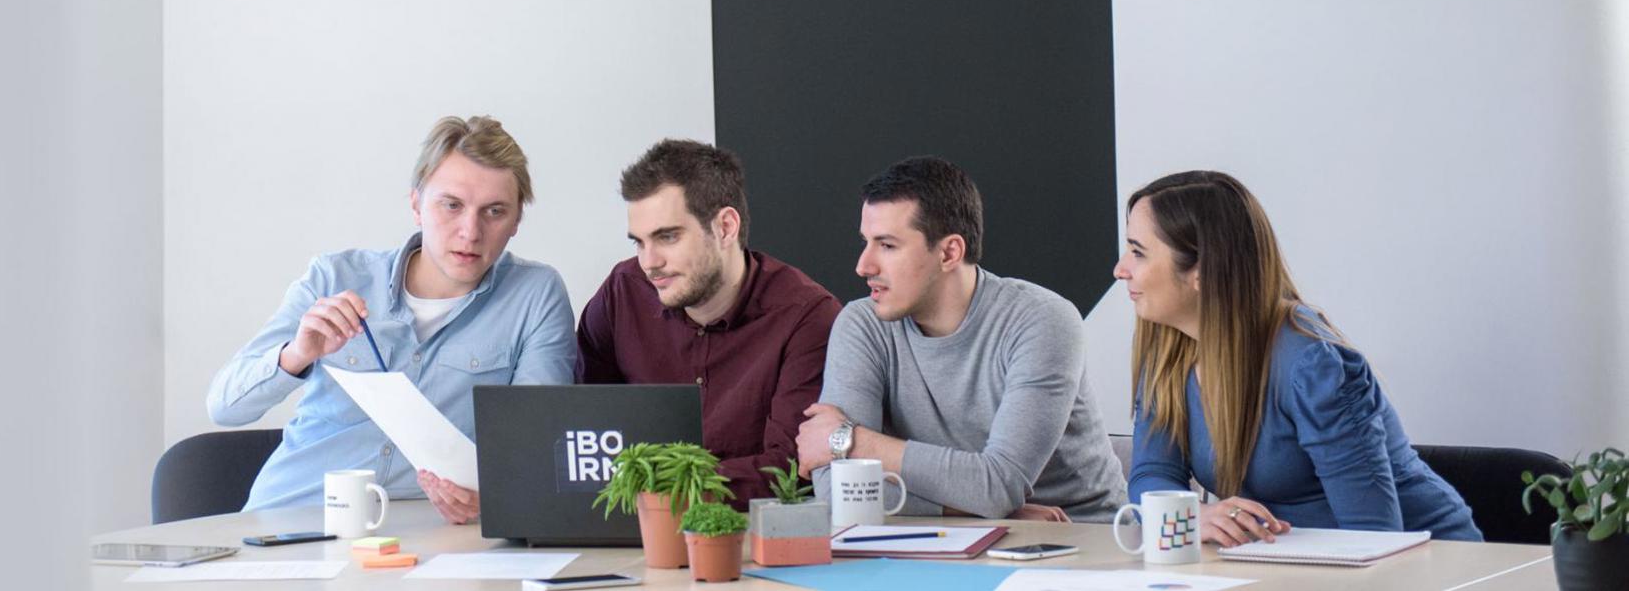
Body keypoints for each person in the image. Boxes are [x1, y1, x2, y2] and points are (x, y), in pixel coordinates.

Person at [206, 116, 576, 523]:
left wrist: (496, 493)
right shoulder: (333, 277)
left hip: (430, 537)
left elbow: (540, 443)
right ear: (416, 204)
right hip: (292, 517)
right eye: (451, 205)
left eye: (494, 211)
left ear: (517, 220)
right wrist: (297, 354)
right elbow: (225, 407)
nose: (470, 232)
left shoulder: (534, 295)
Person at [1116, 170, 1480, 543]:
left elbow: (1374, 537)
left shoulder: (1312, 364)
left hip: (1430, 564)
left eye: (1138, 252)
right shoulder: (1170, 349)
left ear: (1203, 270)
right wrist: (1191, 516)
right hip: (1293, 565)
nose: (1120, 269)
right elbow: (1151, 474)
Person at [796, 156, 1126, 521]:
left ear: (950, 252)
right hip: (954, 533)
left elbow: (1000, 485)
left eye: (887, 246)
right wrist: (978, 508)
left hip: (1082, 536)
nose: (864, 265)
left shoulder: (1041, 319)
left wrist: (852, 442)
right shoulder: (862, 325)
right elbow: (838, 491)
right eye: (866, 242)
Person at [577, 140, 841, 506]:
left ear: (725, 227)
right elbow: (578, 425)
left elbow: (790, 469)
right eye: (639, 242)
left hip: (749, 538)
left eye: (667, 237)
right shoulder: (623, 291)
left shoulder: (806, 316)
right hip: (633, 527)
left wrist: (662, 488)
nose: (649, 262)